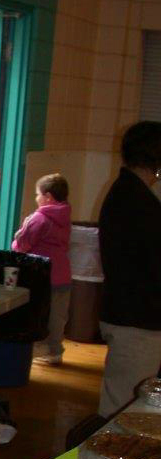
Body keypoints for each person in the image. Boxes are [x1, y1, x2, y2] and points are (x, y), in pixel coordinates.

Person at [97, 121, 161, 417]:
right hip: (136, 320)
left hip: (131, 314)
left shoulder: (129, 193)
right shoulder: (137, 203)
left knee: (125, 404)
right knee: (124, 411)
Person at [11, 172, 72, 365]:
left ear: (48, 197)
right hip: (63, 275)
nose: (36, 198)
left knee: (41, 314)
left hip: (43, 275)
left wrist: (17, 238)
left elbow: (21, 245)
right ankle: (55, 351)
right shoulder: (65, 216)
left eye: (37, 194)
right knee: (58, 317)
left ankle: (39, 350)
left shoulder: (40, 218)